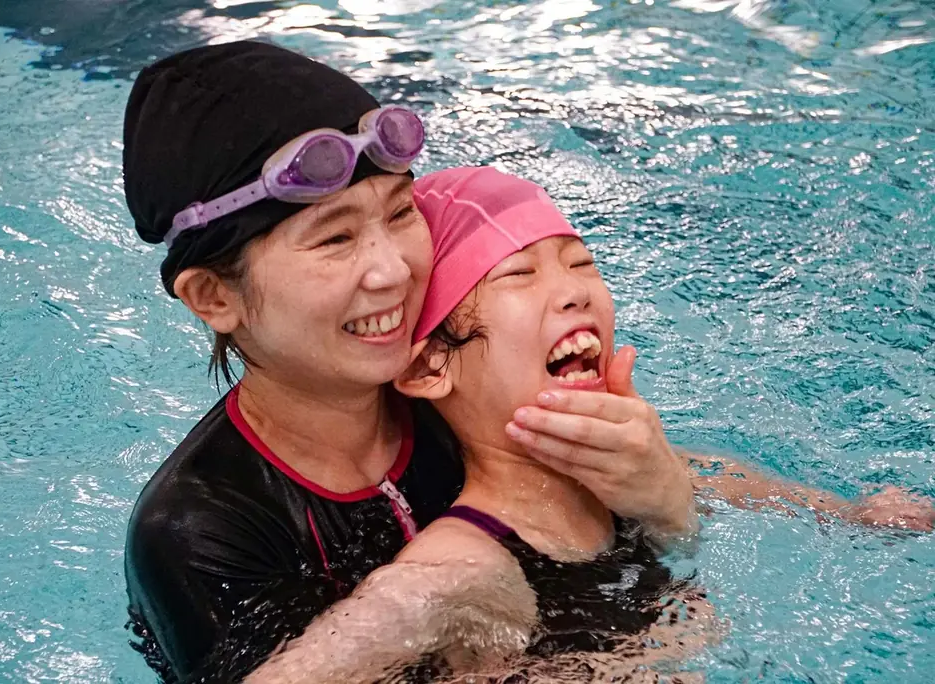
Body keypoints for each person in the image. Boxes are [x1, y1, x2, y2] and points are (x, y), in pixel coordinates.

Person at [121, 43, 698, 684]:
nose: (395, 270)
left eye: (401, 213)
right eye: (336, 238)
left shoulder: (471, 387)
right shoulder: (199, 533)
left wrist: (665, 495)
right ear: (215, 296)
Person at [236, 167, 935, 684]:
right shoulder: (461, 570)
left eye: (581, 263)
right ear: (427, 369)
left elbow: (759, 495)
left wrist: (861, 515)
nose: (573, 290)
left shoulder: (632, 471)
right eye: (517, 277)